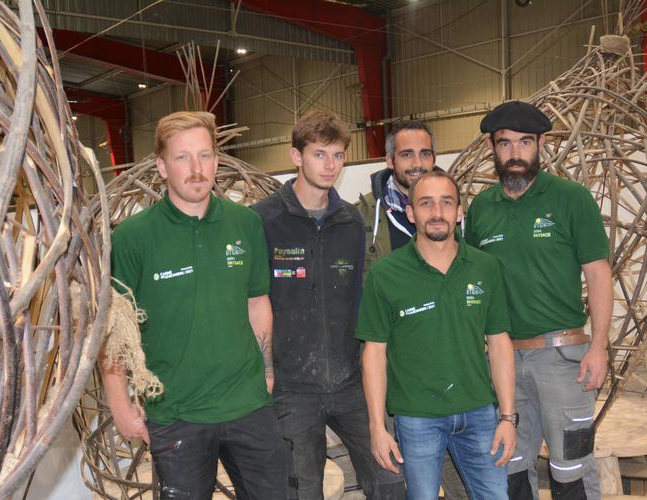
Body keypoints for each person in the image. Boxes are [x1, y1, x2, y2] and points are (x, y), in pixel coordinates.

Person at [105, 111, 286, 499]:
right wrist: (119, 401)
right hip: (176, 413)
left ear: (217, 163)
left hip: (248, 406)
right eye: (182, 157)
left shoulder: (245, 223)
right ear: (161, 166)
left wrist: (267, 371)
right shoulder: (134, 237)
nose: (196, 168)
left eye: (204, 156)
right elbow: (115, 327)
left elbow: (257, 302)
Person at [252, 110, 405, 499]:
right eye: (319, 154)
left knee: (390, 479)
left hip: (351, 380)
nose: (330, 165)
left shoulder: (351, 222)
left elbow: (359, 297)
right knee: (302, 490)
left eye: (337, 155)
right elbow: (252, 301)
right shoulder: (263, 220)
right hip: (291, 388)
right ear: (296, 156)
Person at [465, 101, 613, 500]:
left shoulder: (570, 199)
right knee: (509, 467)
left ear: (541, 144)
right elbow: (470, 282)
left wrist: (598, 346)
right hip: (504, 359)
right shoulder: (481, 210)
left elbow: (598, 273)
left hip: (563, 359)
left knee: (571, 468)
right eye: (505, 144)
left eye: (524, 143)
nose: (514, 154)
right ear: (492, 149)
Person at [357, 170, 518, 500]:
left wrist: (507, 417)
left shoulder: (485, 267)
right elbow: (373, 352)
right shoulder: (385, 274)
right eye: (426, 203)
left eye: (447, 203)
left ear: (459, 211)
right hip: (417, 419)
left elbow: (500, 341)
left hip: (479, 413)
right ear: (411, 212)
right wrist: (377, 426)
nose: (437, 212)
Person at [356, 120, 439, 270]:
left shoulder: (457, 211)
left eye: (425, 154)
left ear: (434, 159)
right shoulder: (363, 216)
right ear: (390, 160)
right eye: (407, 154)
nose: (417, 164)